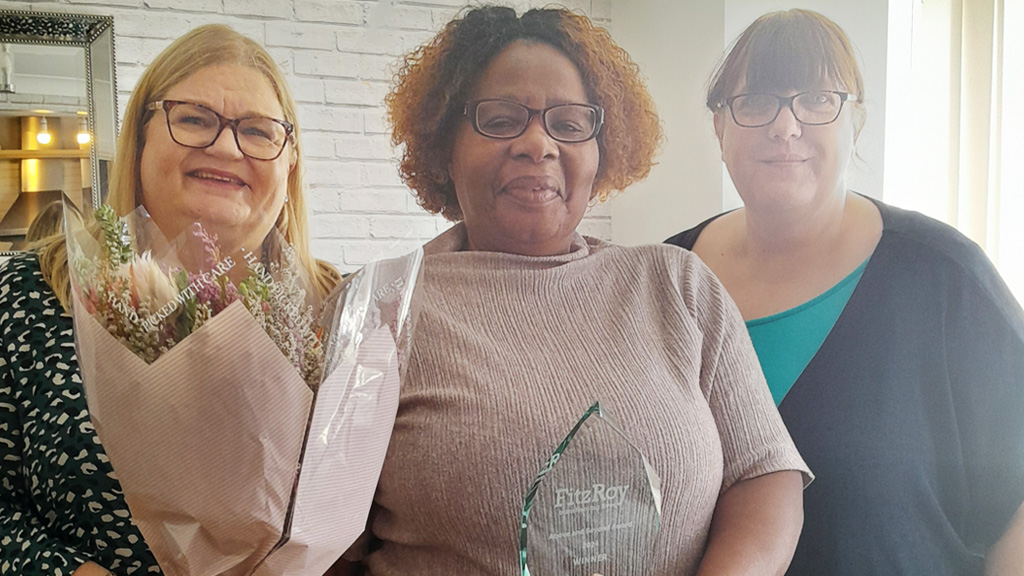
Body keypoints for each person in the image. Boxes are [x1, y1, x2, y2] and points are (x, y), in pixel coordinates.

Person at [337, 6, 811, 575]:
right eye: (502, 118)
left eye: (567, 124)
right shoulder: (379, 308)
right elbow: (328, 548)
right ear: (445, 143)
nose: (537, 144)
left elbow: (765, 473)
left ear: (600, 151)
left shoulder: (677, 285)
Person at [665, 9, 1024, 575]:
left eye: (816, 99)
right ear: (719, 127)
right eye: (756, 101)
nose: (785, 126)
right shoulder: (663, 282)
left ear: (855, 122)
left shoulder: (943, 277)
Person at [0, 24, 339, 576]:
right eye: (194, 119)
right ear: (140, 137)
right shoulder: (31, 295)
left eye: (257, 131)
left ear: (289, 160)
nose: (226, 146)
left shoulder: (338, 311)